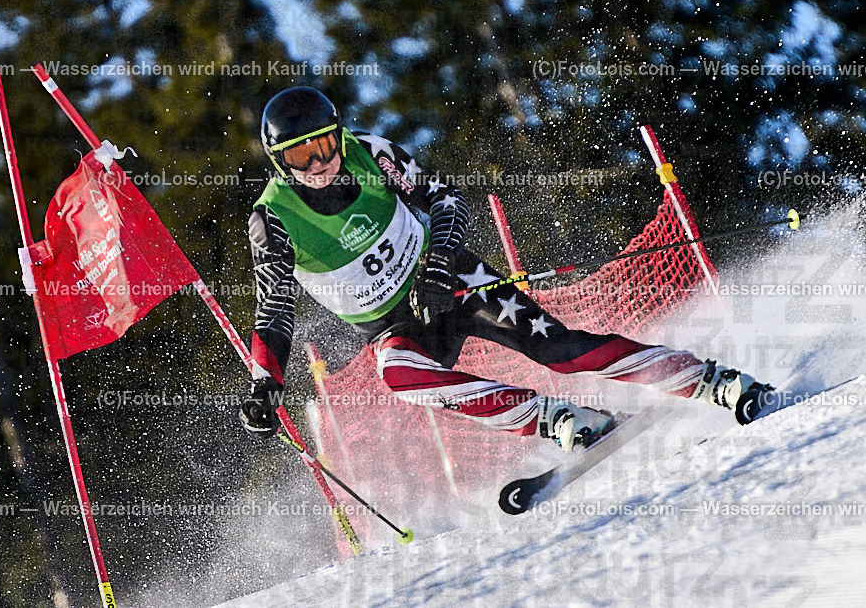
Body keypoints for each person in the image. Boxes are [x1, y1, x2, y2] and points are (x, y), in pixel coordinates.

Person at [238, 87, 770, 451]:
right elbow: (275, 306)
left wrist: (439, 265)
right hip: (394, 326)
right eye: (301, 156)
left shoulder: (370, 152)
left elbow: (446, 199)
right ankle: (556, 419)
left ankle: (709, 380)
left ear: (338, 134)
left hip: (451, 283)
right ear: (280, 162)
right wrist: (266, 383)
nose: (320, 163)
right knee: (399, 374)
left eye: (324, 145)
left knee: (560, 350)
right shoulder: (273, 218)